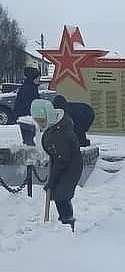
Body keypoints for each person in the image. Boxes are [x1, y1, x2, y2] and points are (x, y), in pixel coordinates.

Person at [31, 99, 83, 231]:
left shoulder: (61, 131)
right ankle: (66, 222)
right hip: (62, 162)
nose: (40, 124)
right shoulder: (55, 124)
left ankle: (67, 223)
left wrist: (52, 181)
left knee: (61, 195)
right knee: (60, 195)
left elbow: (62, 159)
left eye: (42, 120)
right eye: (37, 120)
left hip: (71, 165)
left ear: (48, 114)